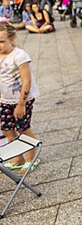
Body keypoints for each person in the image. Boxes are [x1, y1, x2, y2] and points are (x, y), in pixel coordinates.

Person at [0, 24, 41, 176]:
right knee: (6, 129)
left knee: (22, 128)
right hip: (5, 99)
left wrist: (21, 104)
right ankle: (18, 157)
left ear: (12, 39)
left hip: (22, 100)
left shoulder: (20, 56)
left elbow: (27, 81)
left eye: (2, 41)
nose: (0, 45)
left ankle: (32, 158)